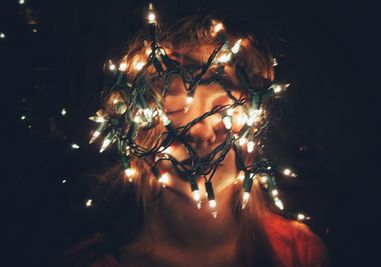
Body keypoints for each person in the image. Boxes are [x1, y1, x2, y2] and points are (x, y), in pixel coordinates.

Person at [64, 8, 329, 267]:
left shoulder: (300, 253)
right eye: (176, 108)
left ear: (257, 121)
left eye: (224, 108)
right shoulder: (93, 260)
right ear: (137, 124)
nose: (200, 132)